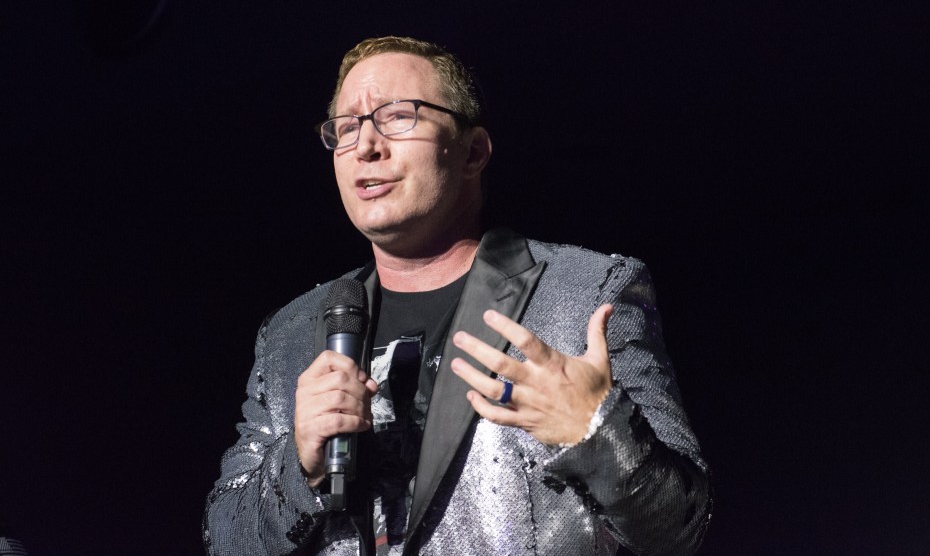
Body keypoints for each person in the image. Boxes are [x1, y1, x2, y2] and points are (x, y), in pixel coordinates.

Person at [203, 36, 711, 555]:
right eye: (347, 127)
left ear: (472, 152)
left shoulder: (585, 293)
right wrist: (299, 465)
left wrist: (596, 429)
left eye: (398, 116)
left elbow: (681, 530)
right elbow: (225, 540)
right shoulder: (291, 335)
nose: (366, 146)